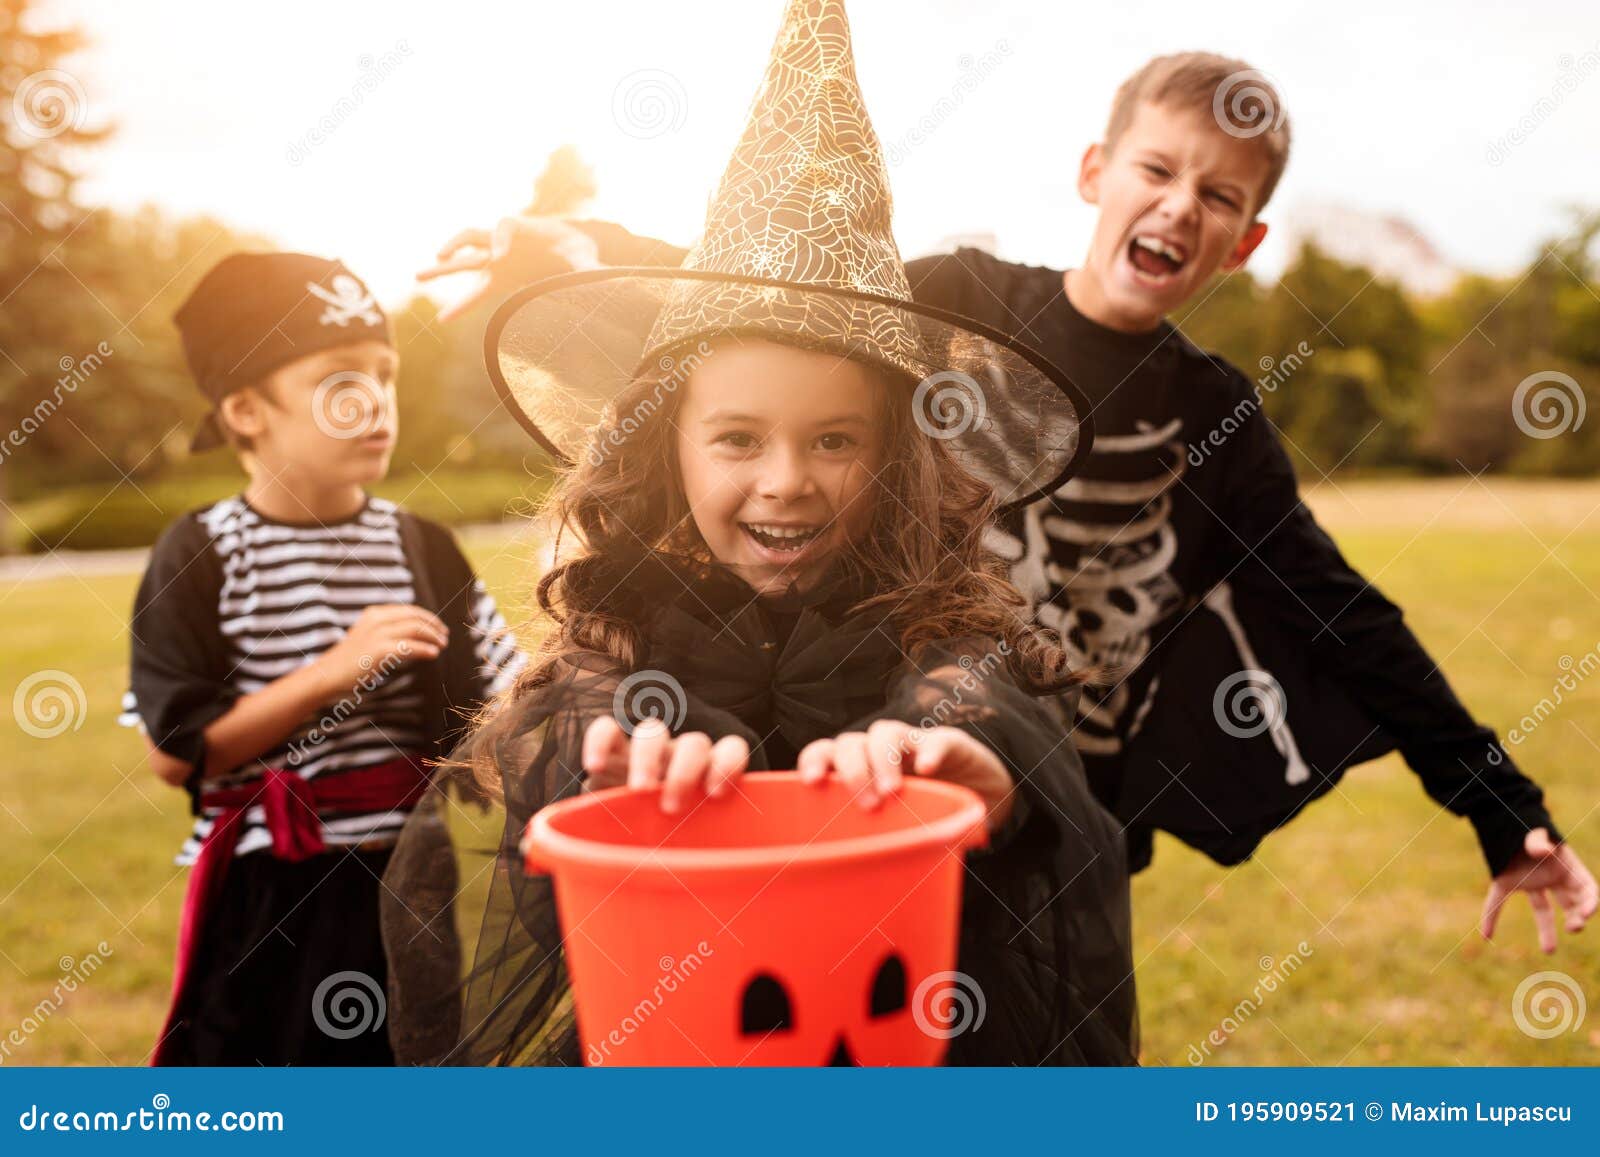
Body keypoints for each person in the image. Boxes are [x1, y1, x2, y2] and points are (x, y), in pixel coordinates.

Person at [422, 53, 1597, 952]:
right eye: (1157, 168)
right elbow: (781, 289)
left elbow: (1338, 605)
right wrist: (565, 244)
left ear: (1245, 239)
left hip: (1065, 814)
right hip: (864, 754)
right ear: (1096, 173)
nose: (1180, 205)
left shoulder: (1216, 410)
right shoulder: (958, 303)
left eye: (1217, 194)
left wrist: (1501, 804)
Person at [380, 0, 1136, 1067]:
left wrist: (971, 767)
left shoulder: (942, 623)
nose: (786, 483)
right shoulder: (620, 631)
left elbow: (976, 692)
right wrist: (610, 756)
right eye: (737, 437)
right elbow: (566, 721)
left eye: (835, 439)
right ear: (665, 445)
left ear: (897, 453)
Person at [120, 251, 525, 1065]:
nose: (376, 401)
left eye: (384, 373)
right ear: (244, 408)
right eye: (341, 379)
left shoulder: (426, 548)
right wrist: (331, 674)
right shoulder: (203, 553)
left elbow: (508, 703)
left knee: (409, 1065)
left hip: (410, 873)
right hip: (271, 887)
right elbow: (176, 753)